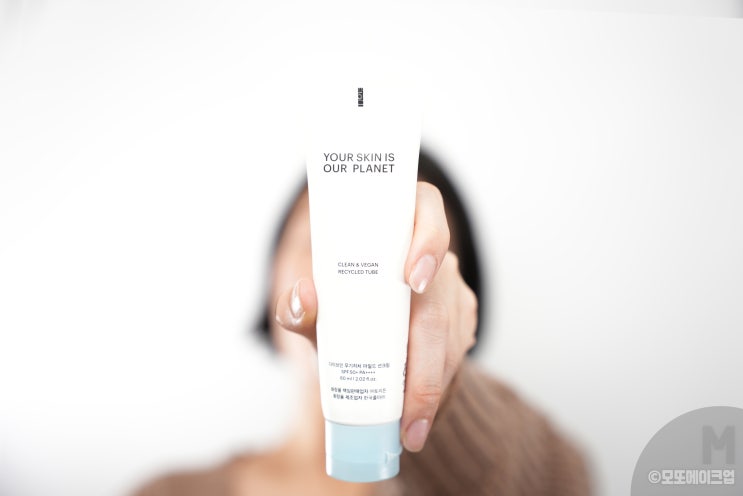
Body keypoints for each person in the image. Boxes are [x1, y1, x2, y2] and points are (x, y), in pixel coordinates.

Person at [133, 152, 592, 496]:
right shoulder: (167, 492)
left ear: (460, 301)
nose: (344, 277)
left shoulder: (532, 473)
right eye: (319, 239)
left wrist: (444, 403)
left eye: (399, 250)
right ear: (273, 268)